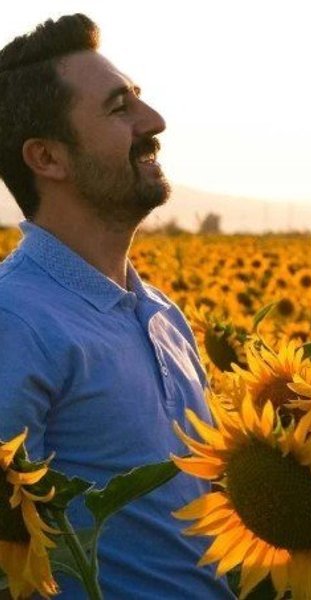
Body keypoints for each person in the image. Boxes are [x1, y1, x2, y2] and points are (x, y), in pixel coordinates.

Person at [0, 15, 233, 599]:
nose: (153, 123)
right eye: (117, 108)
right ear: (47, 157)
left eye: (139, 101)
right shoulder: (15, 320)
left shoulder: (161, 314)